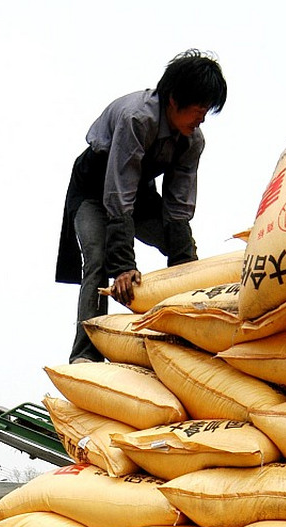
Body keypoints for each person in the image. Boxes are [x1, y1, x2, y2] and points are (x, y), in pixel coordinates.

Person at [55, 49, 227, 362]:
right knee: (98, 261)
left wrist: (186, 269)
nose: (202, 117)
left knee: (184, 257)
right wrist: (123, 266)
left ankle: (185, 334)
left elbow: (178, 205)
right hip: (94, 191)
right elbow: (118, 192)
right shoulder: (137, 118)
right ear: (174, 100)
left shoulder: (192, 139)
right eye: (199, 108)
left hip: (140, 195)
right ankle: (86, 354)